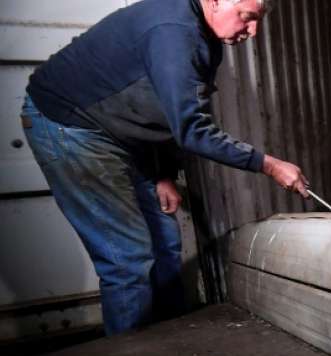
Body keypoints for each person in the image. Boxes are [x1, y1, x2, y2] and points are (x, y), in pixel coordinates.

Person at [20, 0, 309, 335]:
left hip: (119, 128)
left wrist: (163, 175)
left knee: (166, 241)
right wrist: (269, 164)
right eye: (248, 17)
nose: (253, 31)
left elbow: (167, 112)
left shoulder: (207, 39)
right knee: (127, 258)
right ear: (215, 1)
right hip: (72, 126)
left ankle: (173, 336)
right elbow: (192, 130)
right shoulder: (172, 31)